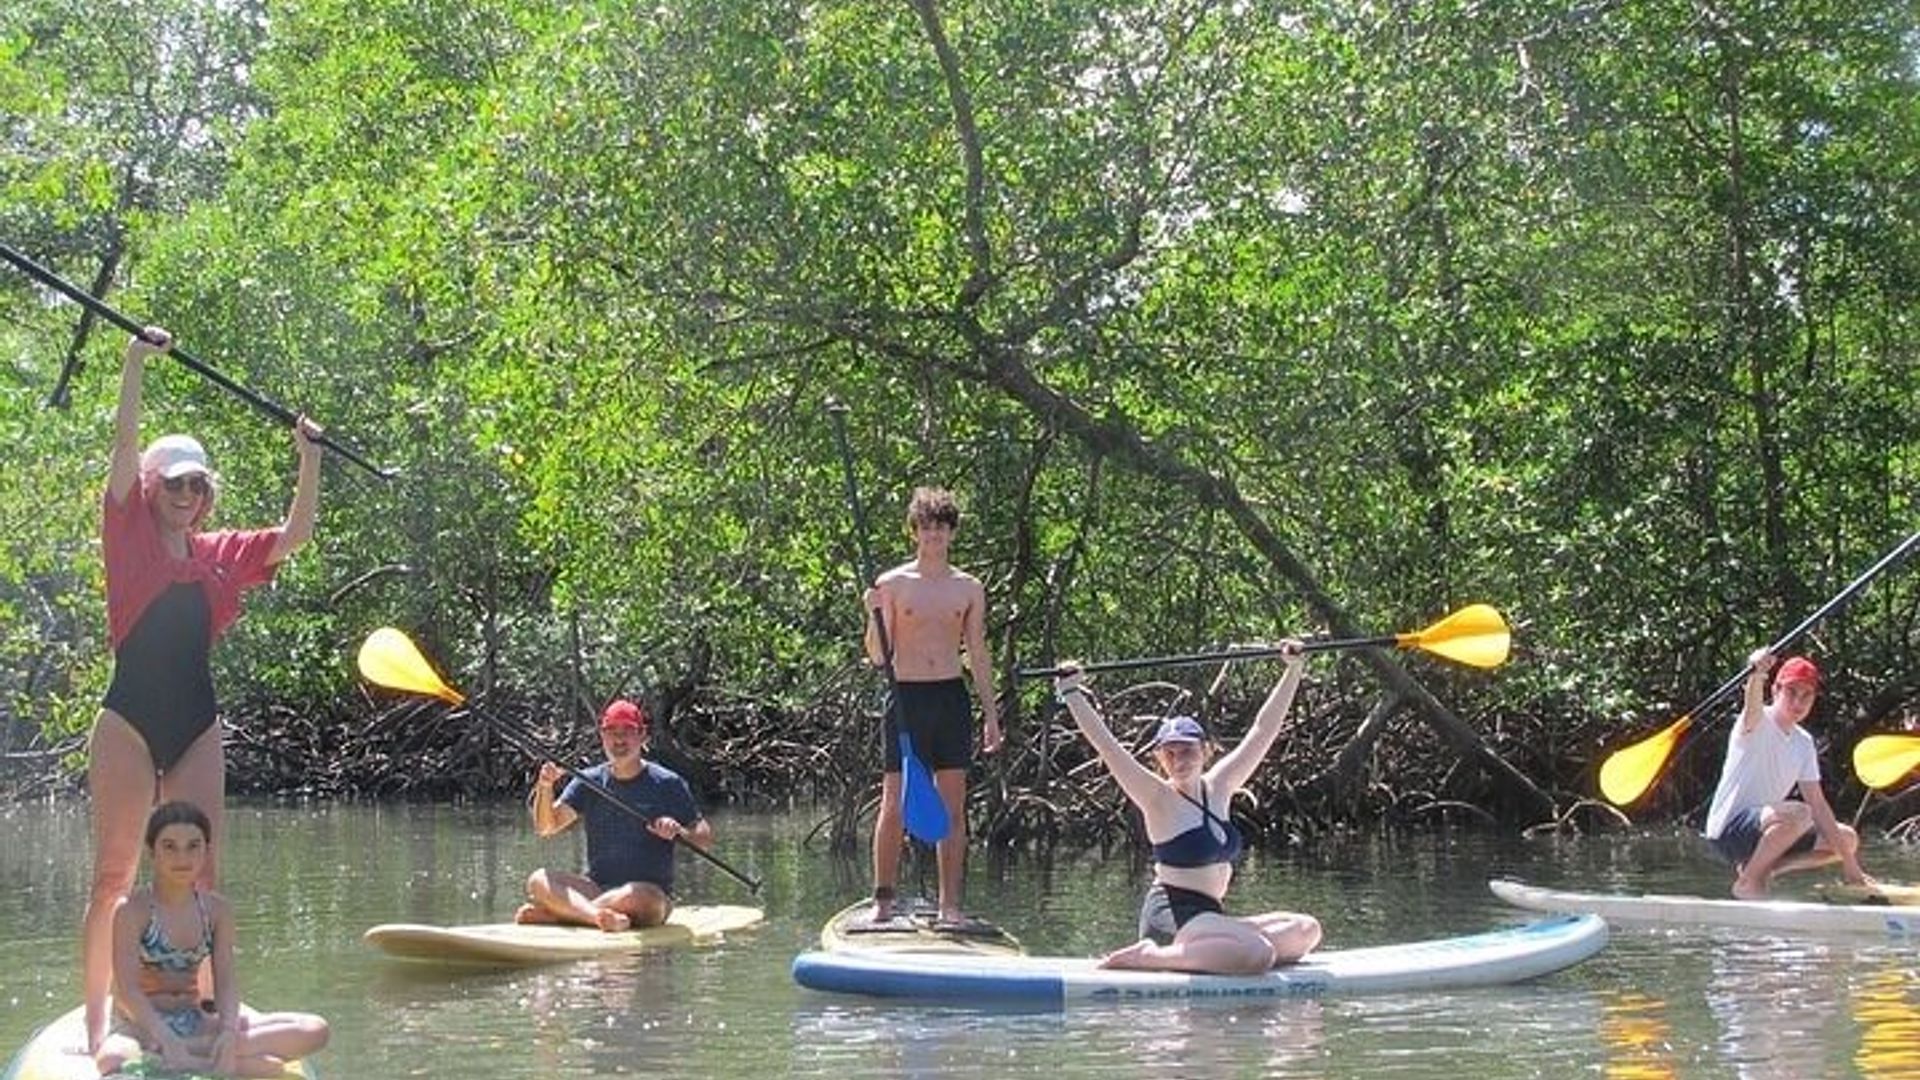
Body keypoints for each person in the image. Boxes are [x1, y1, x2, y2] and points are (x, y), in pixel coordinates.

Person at [85, 328, 323, 1052]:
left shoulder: (218, 557)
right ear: (153, 489)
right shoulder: (129, 534)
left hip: (196, 725)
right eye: (175, 483)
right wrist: (134, 364)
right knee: (114, 876)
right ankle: (99, 1020)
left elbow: (295, 534)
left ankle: (217, 1014)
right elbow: (124, 451)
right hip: (128, 721)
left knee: (205, 871)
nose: (187, 495)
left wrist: (309, 459)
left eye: (198, 484)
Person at [1052, 643, 1321, 974]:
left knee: (1306, 929)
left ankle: (1215, 952)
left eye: (1188, 751)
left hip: (1209, 916)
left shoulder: (1220, 785)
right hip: (1172, 916)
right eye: (1171, 753)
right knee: (1258, 954)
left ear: (1206, 751)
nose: (1179, 760)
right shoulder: (1157, 798)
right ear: (1160, 758)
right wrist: (1070, 691)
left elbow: (1262, 731)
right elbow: (1107, 747)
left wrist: (1292, 670)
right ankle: (1147, 956)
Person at [96, 801, 329, 1078]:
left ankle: (191, 1056)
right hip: (142, 1026)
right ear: (151, 852)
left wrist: (229, 1031)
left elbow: (226, 981)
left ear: (206, 851)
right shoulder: (132, 910)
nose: (182, 857)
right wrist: (165, 1037)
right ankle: (210, 1059)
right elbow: (128, 991)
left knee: (314, 1029)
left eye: (193, 846)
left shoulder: (217, 910)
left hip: (195, 1021)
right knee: (110, 1060)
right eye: (169, 846)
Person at [862, 486, 1003, 928]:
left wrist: (991, 714)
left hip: (950, 698)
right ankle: (883, 901)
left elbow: (977, 652)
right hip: (906, 698)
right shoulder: (892, 583)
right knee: (894, 805)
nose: (933, 536)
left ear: (951, 533)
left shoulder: (969, 588)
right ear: (914, 532)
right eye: (926, 528)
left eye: (940, 528)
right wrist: (873, 614)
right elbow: (877, 656)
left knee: (952, 808)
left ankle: (949, 906)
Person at [517, 699, 713, 931]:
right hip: (597, 889)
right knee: (538, 880)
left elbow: (704, 838)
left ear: (642, 735)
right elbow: (546, 828)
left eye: (627, 731)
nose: (619, 739)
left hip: (648, 894)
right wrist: (545, 786)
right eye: (612, 731)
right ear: (602, 735)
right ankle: (594, 917)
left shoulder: (667, 783)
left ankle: (565, 915)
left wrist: (678, 831)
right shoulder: (588, 781)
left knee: (639, 897)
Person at [1703, 651, 1873, 899]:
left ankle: (1765, 870)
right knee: (1800, 813)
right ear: (1775, 691)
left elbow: (1818, 803)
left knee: (1846, 839)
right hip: (1728, 831)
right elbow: (1752, 706)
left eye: (1806, 696)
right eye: (1791, 692)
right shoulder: (1757, 721)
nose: (1798, 703)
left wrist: (1851, 865)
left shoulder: (1803, 743)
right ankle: (1749, 882)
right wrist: (1757, 673)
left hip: (1770, 830)